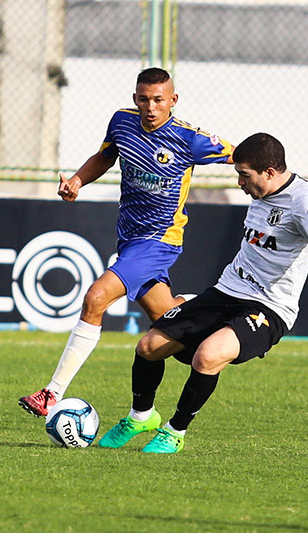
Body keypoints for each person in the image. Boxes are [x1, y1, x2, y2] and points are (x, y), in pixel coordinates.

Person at [97, 132, 308, 453]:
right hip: (227, 291)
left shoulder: (303, 200)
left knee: (208, 355)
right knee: (149, 346)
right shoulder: (260, 194)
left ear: (269, 172)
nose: (239, 182)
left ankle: (175, 431)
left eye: (244, 175)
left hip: (269, 307)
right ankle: (141, 416)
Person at [19, 67, 234, 416]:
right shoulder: (122, 122)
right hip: (130, 239)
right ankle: (210, 319)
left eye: (159, 100)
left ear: (173, 101)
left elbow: (243, 156)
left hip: (160, 240)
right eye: (144, 99)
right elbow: (105, 157)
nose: (151, 107)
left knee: (95, 298)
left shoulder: (190, 138)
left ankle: (51, 394)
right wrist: (76, 180)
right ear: (135, 98)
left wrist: (273, 186)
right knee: (169, 328)